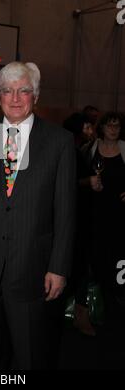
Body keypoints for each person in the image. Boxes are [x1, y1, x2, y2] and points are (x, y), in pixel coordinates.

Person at [0, 61, 76, 370]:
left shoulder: (59, 142)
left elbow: (66, 211)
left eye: (24, 91)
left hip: (33, 271)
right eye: (7, 91)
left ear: (36, 95)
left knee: (31, 356)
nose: (15, 98)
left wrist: (59, 266)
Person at [86, 111, 125, 319]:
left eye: (117, 126)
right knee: (97, 251)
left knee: (118, 252)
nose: (113, 129)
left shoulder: (124, 148)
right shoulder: (91, 148)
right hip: (97, 208)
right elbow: (82, 176)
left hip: (120, 211)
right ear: (102, 127)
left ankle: (116, 294)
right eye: (110, 125)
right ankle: (98, 293)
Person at [63, 112, 96, 336]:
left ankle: (79, 315)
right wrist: (88, 181)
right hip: (72, 217)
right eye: (87, 126)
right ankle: (77, 316)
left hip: (82, 216)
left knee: (82, 267)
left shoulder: (84, 149)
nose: (90, 130)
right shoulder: (69, 150)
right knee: (75, 266)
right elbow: (66, 182)